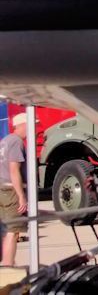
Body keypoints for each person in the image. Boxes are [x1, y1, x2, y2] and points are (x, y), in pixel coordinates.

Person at [0, 113, 28, 267]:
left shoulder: (5, 141)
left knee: (5, 230)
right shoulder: (16, 142)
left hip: (2, 188)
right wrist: (21, 196)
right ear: (22, 125)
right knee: (13, 231)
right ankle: (8, 267)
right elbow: (14, 169)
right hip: (11, 191)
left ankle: (6, 264)